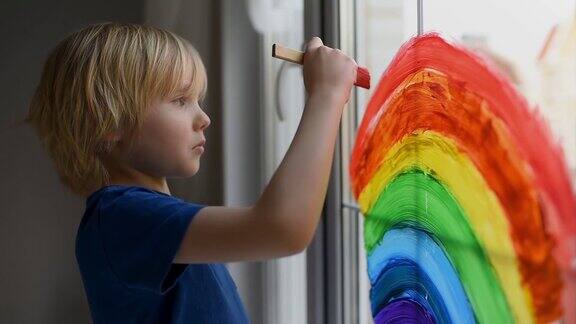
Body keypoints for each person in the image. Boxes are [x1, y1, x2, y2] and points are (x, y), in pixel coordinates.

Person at [24, 22, 357, 323]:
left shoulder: (149, 222)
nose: (204, 118)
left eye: (198, 99)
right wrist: (327, 95)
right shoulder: (120, 217)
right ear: (108, 122)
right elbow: (281, 228)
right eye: (181, 100)